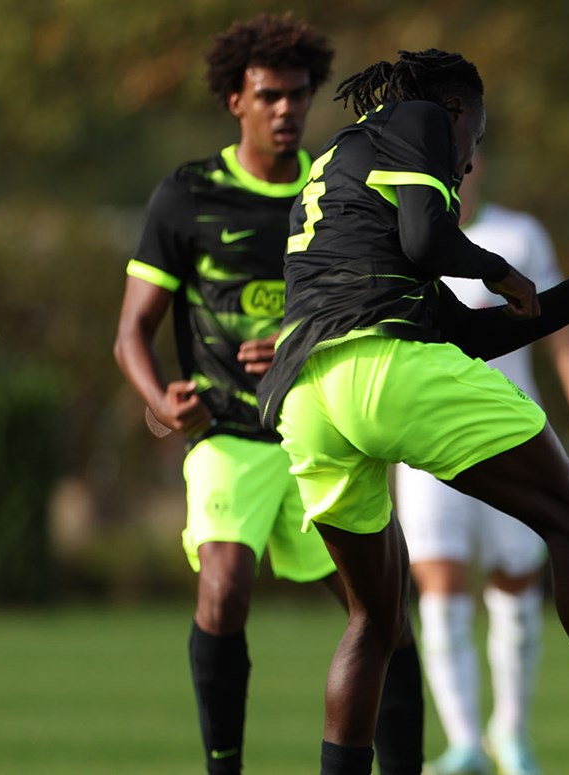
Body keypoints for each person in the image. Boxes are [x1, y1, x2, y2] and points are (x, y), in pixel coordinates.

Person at [253, 49, 569, 775]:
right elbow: (429, 241)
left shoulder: (344, 168)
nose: (466, 160)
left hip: (305, 396)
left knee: (374, 618)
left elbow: (474, 334)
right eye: (475, 138)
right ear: (455, 111)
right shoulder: (420, 118)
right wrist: (499, 269)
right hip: (384, 369)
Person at [112, 15, 425, 775]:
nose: (287, 109)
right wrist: (162, 402)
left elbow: (384, 304)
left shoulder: (337, 189)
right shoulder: (188, 196)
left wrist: (298, 338)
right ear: (235, 101)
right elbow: (130, 333)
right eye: (269, 96)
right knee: (223, 586)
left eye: (299, 94)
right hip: (227, 433)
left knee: (384, 614)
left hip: (320, 430)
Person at [397, 149, 569, 775]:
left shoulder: (518, 235)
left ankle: (511, 734)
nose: (458, 173)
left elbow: (560, 328)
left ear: (479, 163)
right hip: (422, 437)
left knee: (516, 579)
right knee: (438, 581)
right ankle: (464, 742)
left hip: (508, 434)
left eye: (466, 160)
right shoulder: (404, 238)